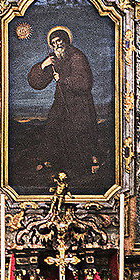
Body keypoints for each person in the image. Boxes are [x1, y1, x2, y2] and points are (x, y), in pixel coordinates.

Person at [26, 25, 98, 183]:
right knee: (53, 126)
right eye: (53, 43)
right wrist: (43, 65)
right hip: (61, 102)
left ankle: (82, 167)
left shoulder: (77, 57)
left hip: (80, 104)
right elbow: (37, 83)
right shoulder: (54, 58)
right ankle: (52, 163)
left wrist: (63, 80)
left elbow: (85, 82)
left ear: (66, 41)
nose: (56, 45)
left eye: (59, 41)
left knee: (77, 132)